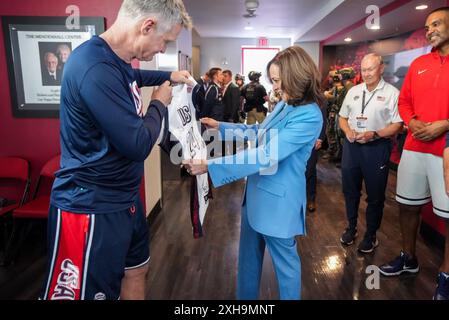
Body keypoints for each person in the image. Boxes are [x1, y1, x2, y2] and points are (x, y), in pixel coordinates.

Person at [40, 0, 193, 300]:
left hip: (123, 197)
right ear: (147, 26)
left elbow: (132, 77)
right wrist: (159, 102)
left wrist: (168, 76)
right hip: (90, 205)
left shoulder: (117, 62)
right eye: (164, 40)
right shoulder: (93, 66)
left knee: (136, 270)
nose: (163, 49)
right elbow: (137, 144)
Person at [184, 46, 324, 300]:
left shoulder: (309, 116)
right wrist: (221, 126)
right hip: (256, 197)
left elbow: (266, 154)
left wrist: (210, 165)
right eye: (274, 81)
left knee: (286, 270)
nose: (276, 87)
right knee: (247, 264)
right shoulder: (286, 105)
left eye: (279, 80)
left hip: (278, 204)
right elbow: (258, 132)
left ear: (296, 76)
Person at [378, 7, 449, 300]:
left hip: (446, 151)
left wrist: (445, 124)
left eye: (436, 24)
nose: (429, 29)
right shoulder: (419, 63)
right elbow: (405, 102)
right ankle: (408, 257)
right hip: (415, 146)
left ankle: (445, 278)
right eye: (427, 25)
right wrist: (412, 121)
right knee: (407, 205)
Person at [338, 53, 402, 253]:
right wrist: (348, 131)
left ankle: (371, 235)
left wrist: (374, 133)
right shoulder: (354, 91)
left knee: (375, 196)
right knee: (350, 191)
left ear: (381, 68)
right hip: (352, 147)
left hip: (377, 148)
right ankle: (351, 227)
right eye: (363, 70)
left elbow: (398, 125)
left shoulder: (392, 93)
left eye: (370, 69)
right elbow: (342, 117)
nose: (366, 73)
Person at [306, 106, 326, 212]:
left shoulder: (318, 100)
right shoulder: (294, 97)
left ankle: (311, 199)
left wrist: (320, 138)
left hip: (312, 140)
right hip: (296, 139)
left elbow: (323, 120)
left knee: (310, 169)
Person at [221, 70, 241, 155]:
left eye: (225, 76)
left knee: (231, 138)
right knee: (225, 137)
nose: (223, 78)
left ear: (230, 77)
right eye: (223, 76)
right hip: (224, 117)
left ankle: (233, 156)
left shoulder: (234, 87)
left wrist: (231, 118)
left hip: (230, 118)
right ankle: (225, 155)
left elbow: (235, 104)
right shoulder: (224, 87)